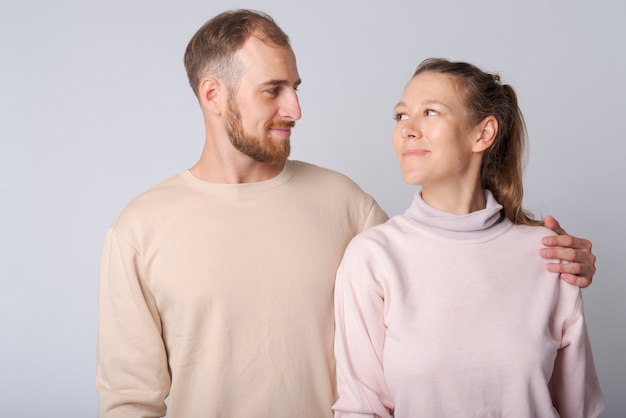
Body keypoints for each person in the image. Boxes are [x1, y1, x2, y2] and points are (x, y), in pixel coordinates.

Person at [96, 10, 598, 418]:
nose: (295, 108)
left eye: (296, 87)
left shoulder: (344, 203)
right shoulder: (141, 230)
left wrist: (556, 261)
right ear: (213, 95)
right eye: (274, 90)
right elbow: (129, 403)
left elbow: (449, 271)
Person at [332, 58, 605, 417]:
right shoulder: (372, 257)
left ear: (483, 133)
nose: (407, 130)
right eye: (401, 116)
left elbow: (580, 410)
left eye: (430, 112)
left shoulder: (547, 253)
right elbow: (361, 408)